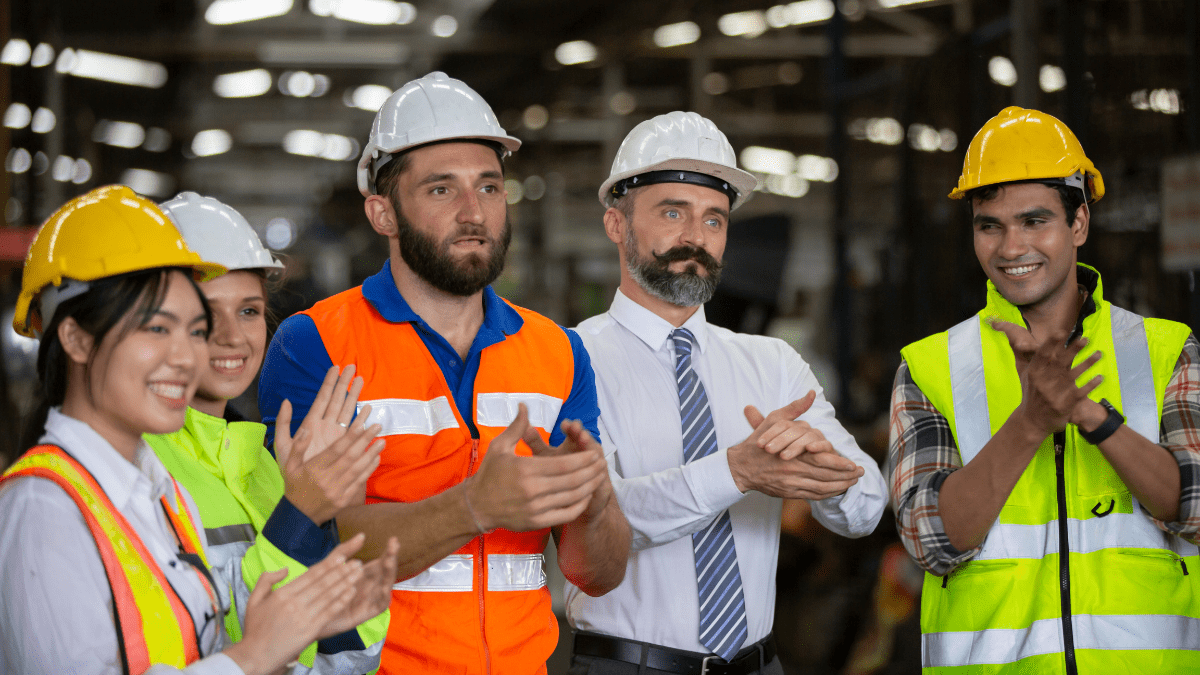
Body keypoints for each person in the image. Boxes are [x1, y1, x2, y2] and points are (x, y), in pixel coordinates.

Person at [257, 71, 632, 674]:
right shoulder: (315, 343)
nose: (473, 212)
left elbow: (597, 574)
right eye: (440, 190)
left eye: (489, 187)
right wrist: (473, 507)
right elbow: (309, 543)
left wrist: (596, 506)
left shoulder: (558, 352)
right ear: (382, 213)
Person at [0, 185, 394, 675]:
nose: (188, 354)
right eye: (157, 328)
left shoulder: (159, 495)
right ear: (76, 338)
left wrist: (326, 606)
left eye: (192, 328)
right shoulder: (44, 507)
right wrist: (255, 652)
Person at [566, 111, 888, 675]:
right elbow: (600, 521)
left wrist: (821, 466)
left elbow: (865, 509)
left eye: (714, 219)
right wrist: (737, 472)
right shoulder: (571, 360)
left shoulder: (772, 364)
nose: (695, 237)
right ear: (616, 224)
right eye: (673, 213)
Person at [885, 106, 1200, 673]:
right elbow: (929, 539)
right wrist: (1031, 422)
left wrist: (1090, 416)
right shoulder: (931, 366)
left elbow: (1197, 509)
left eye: (1035, 221)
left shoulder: (1165, 349)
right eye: (990, 225)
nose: (1011, 248)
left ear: (1078, 223)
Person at [146, 192, 395, 674]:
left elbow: (339, 658)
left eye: (249, 311)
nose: (231, 336)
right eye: (204, 312)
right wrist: (299, 514)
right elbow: (229, 646)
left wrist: (328, 522)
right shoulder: (138, 468)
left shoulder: (269, 465)